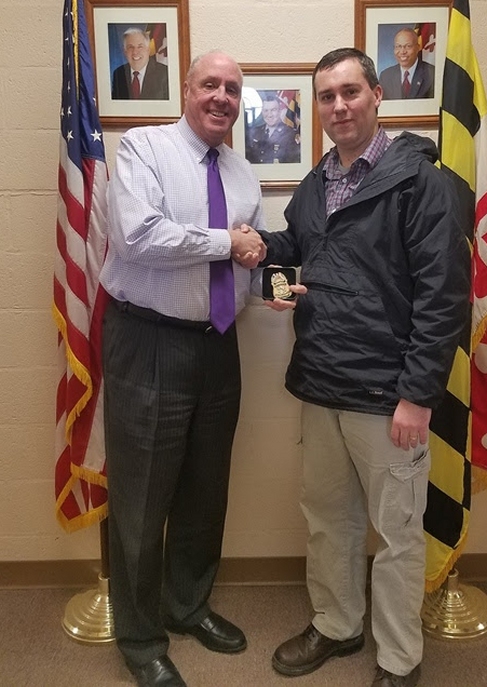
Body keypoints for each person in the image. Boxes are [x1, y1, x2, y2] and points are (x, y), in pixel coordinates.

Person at [258, 48, 470, 687]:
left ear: (377, 96)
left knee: (399, 536)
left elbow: (443, 296)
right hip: (320, 385)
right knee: (328, 520)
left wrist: (417, 394)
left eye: (350, 92)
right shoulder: (315, 185)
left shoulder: (420, 182)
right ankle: (336, 624)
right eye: (327, 96)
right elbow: (296, 251)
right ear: (316, 107)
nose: (339, 106)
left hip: (389, 396)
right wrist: (259, 250)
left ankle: (400, 661)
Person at [100, 50, 267, 687]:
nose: (222, 96)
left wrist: (266, 280)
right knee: (141, 500)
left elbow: (249, 256)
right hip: (147, 339)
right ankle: (140, 639)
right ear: (187, 91)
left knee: (206, 488)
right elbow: (139, 235)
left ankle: (187, 603)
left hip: (219, 343)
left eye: (232, 88)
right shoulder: (142, 149)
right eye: (210, 85)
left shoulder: (244, 174)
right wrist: (230, 242)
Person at [111, 27, 169, 100]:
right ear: (125, 52)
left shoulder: (164, 73)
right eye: (131, 47)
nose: (135, 52)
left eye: (140, 47)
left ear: (148, 50)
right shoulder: (118, 74)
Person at [378, 27, 435, 100]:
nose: (402, 52)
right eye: (398, 46)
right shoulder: (385, 76)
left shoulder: (431, 74)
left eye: (408, 46)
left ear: (417, 48)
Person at [245, 93, 300, 164]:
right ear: (262, 112)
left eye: (273, 110)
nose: (269, 115)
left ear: (279, 111)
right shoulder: (255, 132)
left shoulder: (290, 134)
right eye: (266, 110)